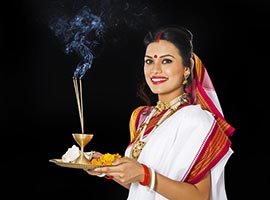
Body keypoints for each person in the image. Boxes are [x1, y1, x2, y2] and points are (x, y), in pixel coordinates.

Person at [85, 25, 235, 200]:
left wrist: (144, 174)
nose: (155, 70)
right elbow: (140, 186)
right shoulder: (143, 118)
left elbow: (200, 197)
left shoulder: (196, 120)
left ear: (188, 67)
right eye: (149, 61)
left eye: (166, 61)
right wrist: (107, 168)